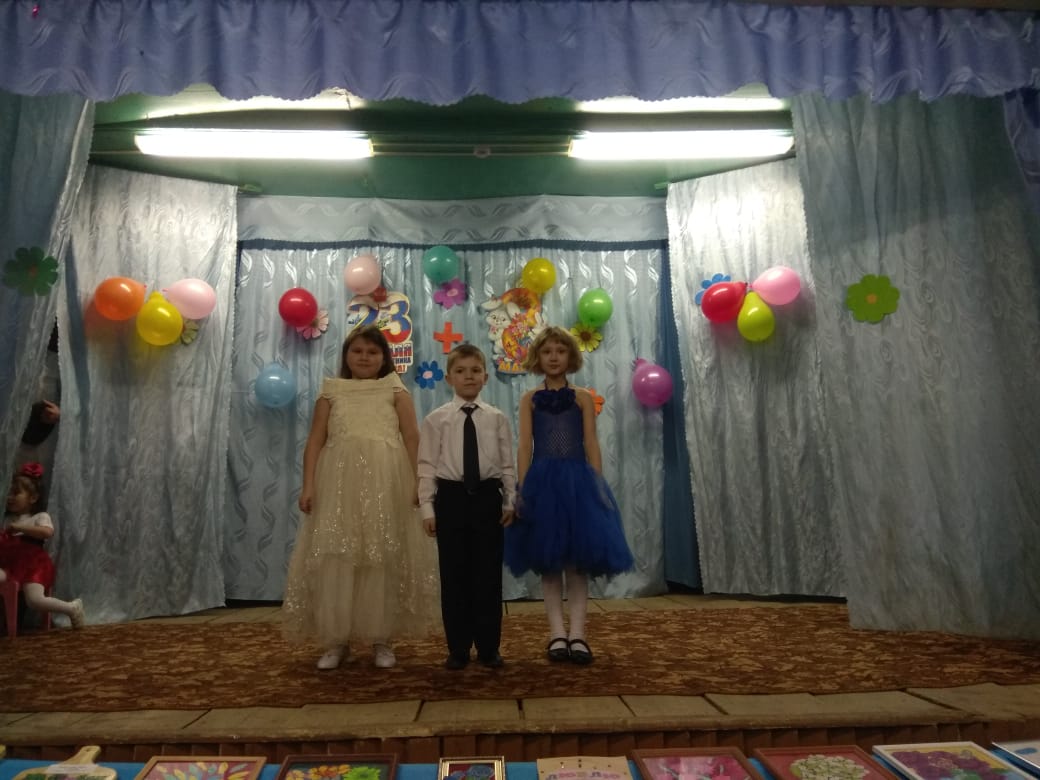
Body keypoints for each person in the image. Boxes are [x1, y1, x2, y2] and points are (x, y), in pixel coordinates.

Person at [282, 325, 440, 670]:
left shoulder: (395, 389)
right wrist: (308, 485)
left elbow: (412, 437)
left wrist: (420, 483)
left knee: (381, 556)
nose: (364, 357)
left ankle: (382, 638)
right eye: (357, 351)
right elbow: (315, 441)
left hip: (386, 483)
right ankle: (337, 640)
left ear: (384, 357)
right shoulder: (331, 391)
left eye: (372, 352)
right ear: (346, 356)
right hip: (339, 485)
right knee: (338, 558)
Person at [504, 326, 634, 665]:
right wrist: (521, 489)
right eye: (547, 351)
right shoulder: (529, 399)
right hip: (542, 485)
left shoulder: (582, 398)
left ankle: (578, 635)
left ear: (571, 356)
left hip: (578, 485)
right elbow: (524, 446)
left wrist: (597, 484)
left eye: (560, 351)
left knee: (577, 566)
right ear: (537, 357)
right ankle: (556, 634)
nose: (554, 357)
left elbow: (591, 442)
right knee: (549, 567)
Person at [418, 343, 516, 670]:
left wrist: (510, 500)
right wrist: (428, 508)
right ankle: (458, 647)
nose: (468, 376)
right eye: (460, 371)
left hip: (488, 497)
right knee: (454, 575)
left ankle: (489, 647)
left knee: (488, 575)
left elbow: (507, 464)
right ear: (449, 378)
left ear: (485, 377)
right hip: (451, 499)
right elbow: (426, 466)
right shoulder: (436, 419)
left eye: (475, 371)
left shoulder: (497, 419)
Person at [1, 462, 85, 630]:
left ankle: (71, 608)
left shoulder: (40, 516)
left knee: (34, 600)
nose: (10, 497)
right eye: (8, 493)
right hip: (9, 563)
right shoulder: (7, 519)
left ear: (33, 498)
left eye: (15, 493)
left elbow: (46, 532)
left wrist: (20, 527)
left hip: (33, 565)